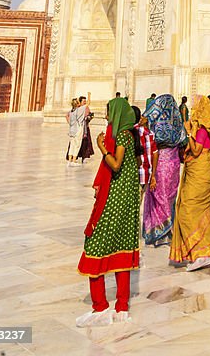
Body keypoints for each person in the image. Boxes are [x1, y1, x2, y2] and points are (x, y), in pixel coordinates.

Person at [76, 97, 140, 327]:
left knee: (94, 246)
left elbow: (115, 165)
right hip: (123, 203)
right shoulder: (130, 136)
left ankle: (100, 307)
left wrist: (102, 147)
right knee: (120, 250)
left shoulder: (122, 136)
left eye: (108, 111)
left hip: (114, 202)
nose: (106, 115)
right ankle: (121, 307)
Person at [171, 95, 210, 271]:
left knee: (187, 210)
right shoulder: (200, 128)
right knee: (198, 210)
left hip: (201, 174)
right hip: (197, 173)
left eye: (195, 106)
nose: (193, 109)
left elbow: (197, 151)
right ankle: (206, 251)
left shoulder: (203, 130)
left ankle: (200, 253)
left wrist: (188, 133)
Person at [143, 94, 185, 247]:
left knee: (159, 196)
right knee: (169, 197)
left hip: (160, 164)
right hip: (173, 165)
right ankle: (168, 230)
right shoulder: (177, 123)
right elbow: (183, 142)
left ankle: (159, 232)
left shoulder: (156, 126)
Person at [131, 105, 156, 195]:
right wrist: (153, 175)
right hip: (144, 173)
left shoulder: (129, 131)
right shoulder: (148, 132)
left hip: (130, 173)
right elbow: (154, 154)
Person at [67, 98, 86, 163]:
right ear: (78, 104)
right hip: (78, 129)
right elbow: (87, 104)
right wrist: (89, 95)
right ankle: (74, 160)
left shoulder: (71, 111)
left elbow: (68, 120)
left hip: (71, 130)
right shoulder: (79, 110)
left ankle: (69, 160)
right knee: (77, 145)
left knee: (72, 145)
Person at [78, 96, 95, 163]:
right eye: (83, 101)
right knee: (79, 143)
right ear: (80, 102)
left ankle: (84, 157)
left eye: (85, 101)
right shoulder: (78, 108)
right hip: (79, 128)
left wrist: (89, 117)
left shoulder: (87, 108)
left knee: (86, 143)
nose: (85, 102)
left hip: (86, 128)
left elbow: (90, 115)